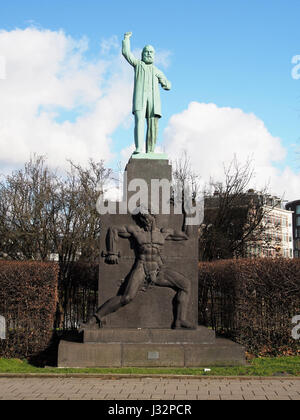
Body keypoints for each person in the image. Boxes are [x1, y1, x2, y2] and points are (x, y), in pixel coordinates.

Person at [86, 211, 195, 329]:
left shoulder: (164, 233)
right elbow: (113, 229)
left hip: (159, 270)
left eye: (146, 217)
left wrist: (188, 216)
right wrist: (112, 252)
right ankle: (95, 319)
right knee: (126, 297)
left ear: (154, 216)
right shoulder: (137, 231)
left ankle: (180, 320)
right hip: (142, 267)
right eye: (142, 219)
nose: (145, 221)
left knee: (186, 285)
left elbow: (186, 235)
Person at [122, 32, 171, 154]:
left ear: (154, 55)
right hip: (140, 98)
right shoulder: (138, 64)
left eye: (151, 52)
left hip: (153, 100)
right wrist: (126, 39)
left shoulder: (157, 70)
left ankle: (150, 151)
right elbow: (126, 53)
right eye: (146, 52)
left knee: (153, 125)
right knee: (139, 121)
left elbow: (168, 84)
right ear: (142, 54)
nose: (148, 54)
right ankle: (139, 148)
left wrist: (165, 83)